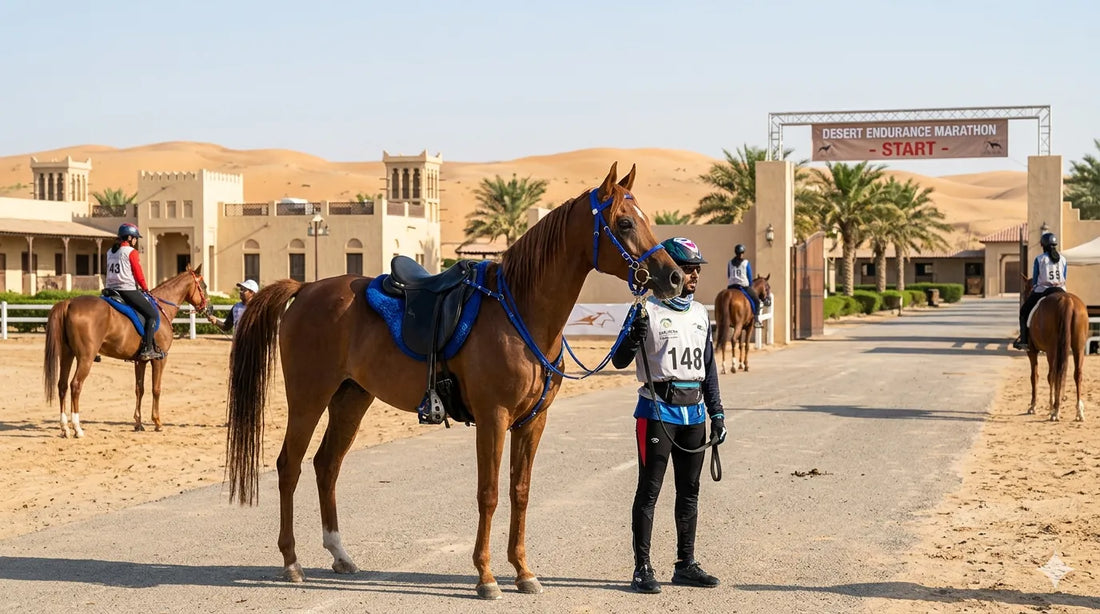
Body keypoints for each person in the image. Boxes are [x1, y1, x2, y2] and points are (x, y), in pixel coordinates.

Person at [612, 236, 727, 594]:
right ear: (671, 270)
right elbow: (618, 359)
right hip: (656, 411)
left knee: (689, 492)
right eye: (689, 268)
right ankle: (642, 567)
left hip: (694, 414)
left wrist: (718, 412)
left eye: (697, 269)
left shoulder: (699, 312)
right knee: (649, 491)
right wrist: (633, 336)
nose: (694, 275)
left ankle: (685, 564)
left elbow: (708, 367)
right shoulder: (646, 309)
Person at [105, 223, 164, 361]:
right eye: (135, 238)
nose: (136, 241)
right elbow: (138, 273)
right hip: (126, 290)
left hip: (109, 290)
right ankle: (147, 349)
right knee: (152, 314)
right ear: (130, 238)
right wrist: (145, 288)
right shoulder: (131, 252)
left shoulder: (110, 252)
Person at [1014, 231, 1069, 350]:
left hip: (1043, 290)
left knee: (1024, 312)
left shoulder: (1039, 259)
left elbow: (1035, 279)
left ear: (1042, 245)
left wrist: (1035, 286)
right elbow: (1065, 276)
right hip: (1061, 290)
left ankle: (1024, 341)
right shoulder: (1064, 259)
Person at [727, 244, 762, 328]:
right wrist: (750, 285)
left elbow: (728, 275)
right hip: (743, 286)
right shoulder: (746, 263)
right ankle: (756, 320)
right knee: (757, 301)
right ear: (742, 253)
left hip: (731, 286)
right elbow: (749, 276)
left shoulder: (730, 263)